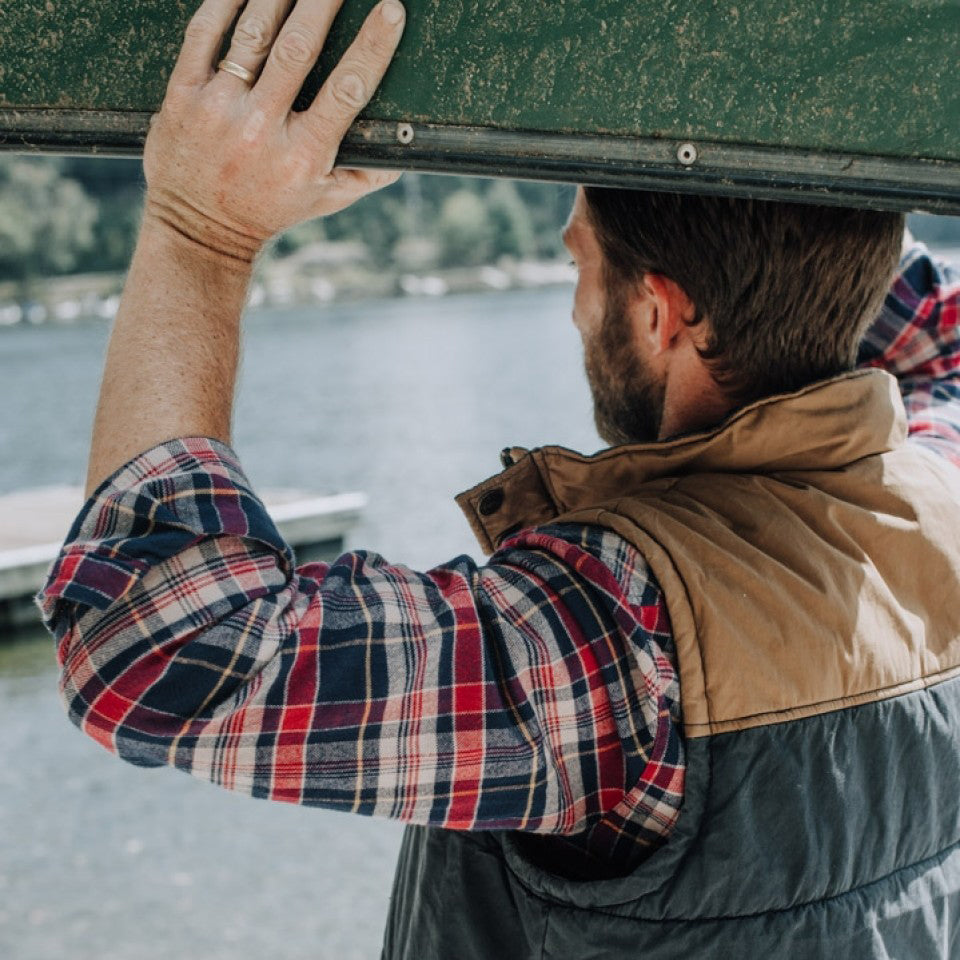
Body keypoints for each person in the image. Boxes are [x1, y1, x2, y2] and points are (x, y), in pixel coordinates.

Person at [38, 0, 960, 957]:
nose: (572, 307)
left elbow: (150, 648)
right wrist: (797, 212)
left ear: (659, 315)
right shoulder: (937, 491)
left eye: (580, 264)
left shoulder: (617, 640)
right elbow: (938, 330)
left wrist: (203, 230)